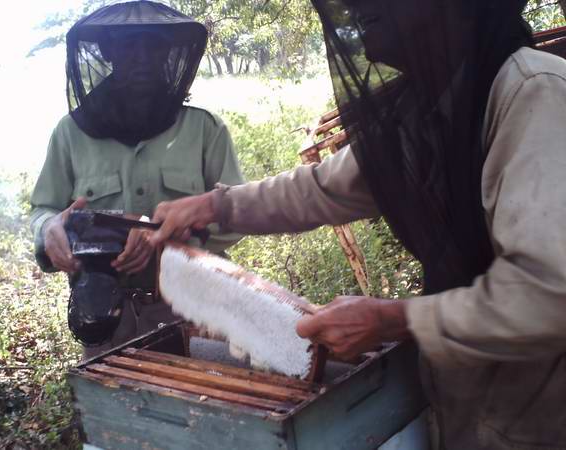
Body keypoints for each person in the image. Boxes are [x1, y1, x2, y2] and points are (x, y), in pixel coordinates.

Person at [148, 1, 566, 449]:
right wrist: (214, 206)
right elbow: (321, 188)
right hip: (465, 401)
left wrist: (396, 319)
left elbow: (547, 294)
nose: (359, 6)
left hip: (537, 414)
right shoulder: (425, 107)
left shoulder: (531, 91)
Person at [30, 1, 244, 359]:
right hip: (105, 317)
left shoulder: (205, 130)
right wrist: (49, 227)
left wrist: (173, 236)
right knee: (116, 412)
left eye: (153, 44)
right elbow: (43, 208)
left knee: (202, 409)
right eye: (129, 44)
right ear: (108, 51)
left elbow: (237, 211)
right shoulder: (70, 134)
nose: (142, 56)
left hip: (194, 313)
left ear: (169, 52)